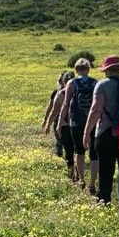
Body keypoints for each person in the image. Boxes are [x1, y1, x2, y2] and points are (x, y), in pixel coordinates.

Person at [82, 55, 119, 208]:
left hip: (105, 133)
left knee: (106, 170)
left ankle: (104, 201)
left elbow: (96, 110)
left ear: (106, 70)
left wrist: (87, 132)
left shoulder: (102, 85)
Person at [49, 58, 97, 191]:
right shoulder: (95, 83)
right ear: (88, 69)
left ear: (76, 70)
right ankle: (93, 183)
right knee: (94, 154)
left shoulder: (72, 83)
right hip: (91, 122)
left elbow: (65, 104)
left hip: (75, 122)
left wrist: (59, 123)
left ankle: (81, 180)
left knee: (79, 152)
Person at [43, 70, 76, 181]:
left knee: (69, 150)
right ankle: (79, 174)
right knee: (78, 151)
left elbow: (54, 110)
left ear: (63, 81)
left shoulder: (61, 93)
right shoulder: (81, 91)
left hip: (65, 125)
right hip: (79, 125)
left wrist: (48, 123)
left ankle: (71, 173)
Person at [42, 70, 71, 162]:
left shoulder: (58, 91)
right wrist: (45, 120)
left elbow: (52, 108)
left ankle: (62, 154)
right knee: (63, 139)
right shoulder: (76, 89)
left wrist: (47, 122)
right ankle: (64, 155)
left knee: (60, 138)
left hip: (60, 120)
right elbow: (51, 106)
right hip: (71, 120)